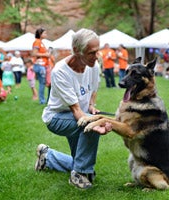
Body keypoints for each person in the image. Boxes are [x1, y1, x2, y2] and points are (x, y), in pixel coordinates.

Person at [34, 28, 112, 190]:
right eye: (92, 52)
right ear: (77, 50)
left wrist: (91, 105)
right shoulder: (60, 72)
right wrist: (93, 122)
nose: (96, 56)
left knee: (82, 161)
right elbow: (76, 110)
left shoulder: (94, 65)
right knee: (89, 130)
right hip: (57, 118)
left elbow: (93, 90)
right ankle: (79, 174)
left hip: (79, 115)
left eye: (97, 51)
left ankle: (48, 157)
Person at [32, 27, 50, 104]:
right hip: (40, 65)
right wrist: (45, 54)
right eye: (44, 33)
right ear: (40, 34)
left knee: (48, 83)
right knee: (42, 83)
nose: (46, 34)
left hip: (44, 65)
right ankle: (42, 101)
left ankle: (47, 100)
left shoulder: (41, 42)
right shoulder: (37, 42)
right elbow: (34, 53)